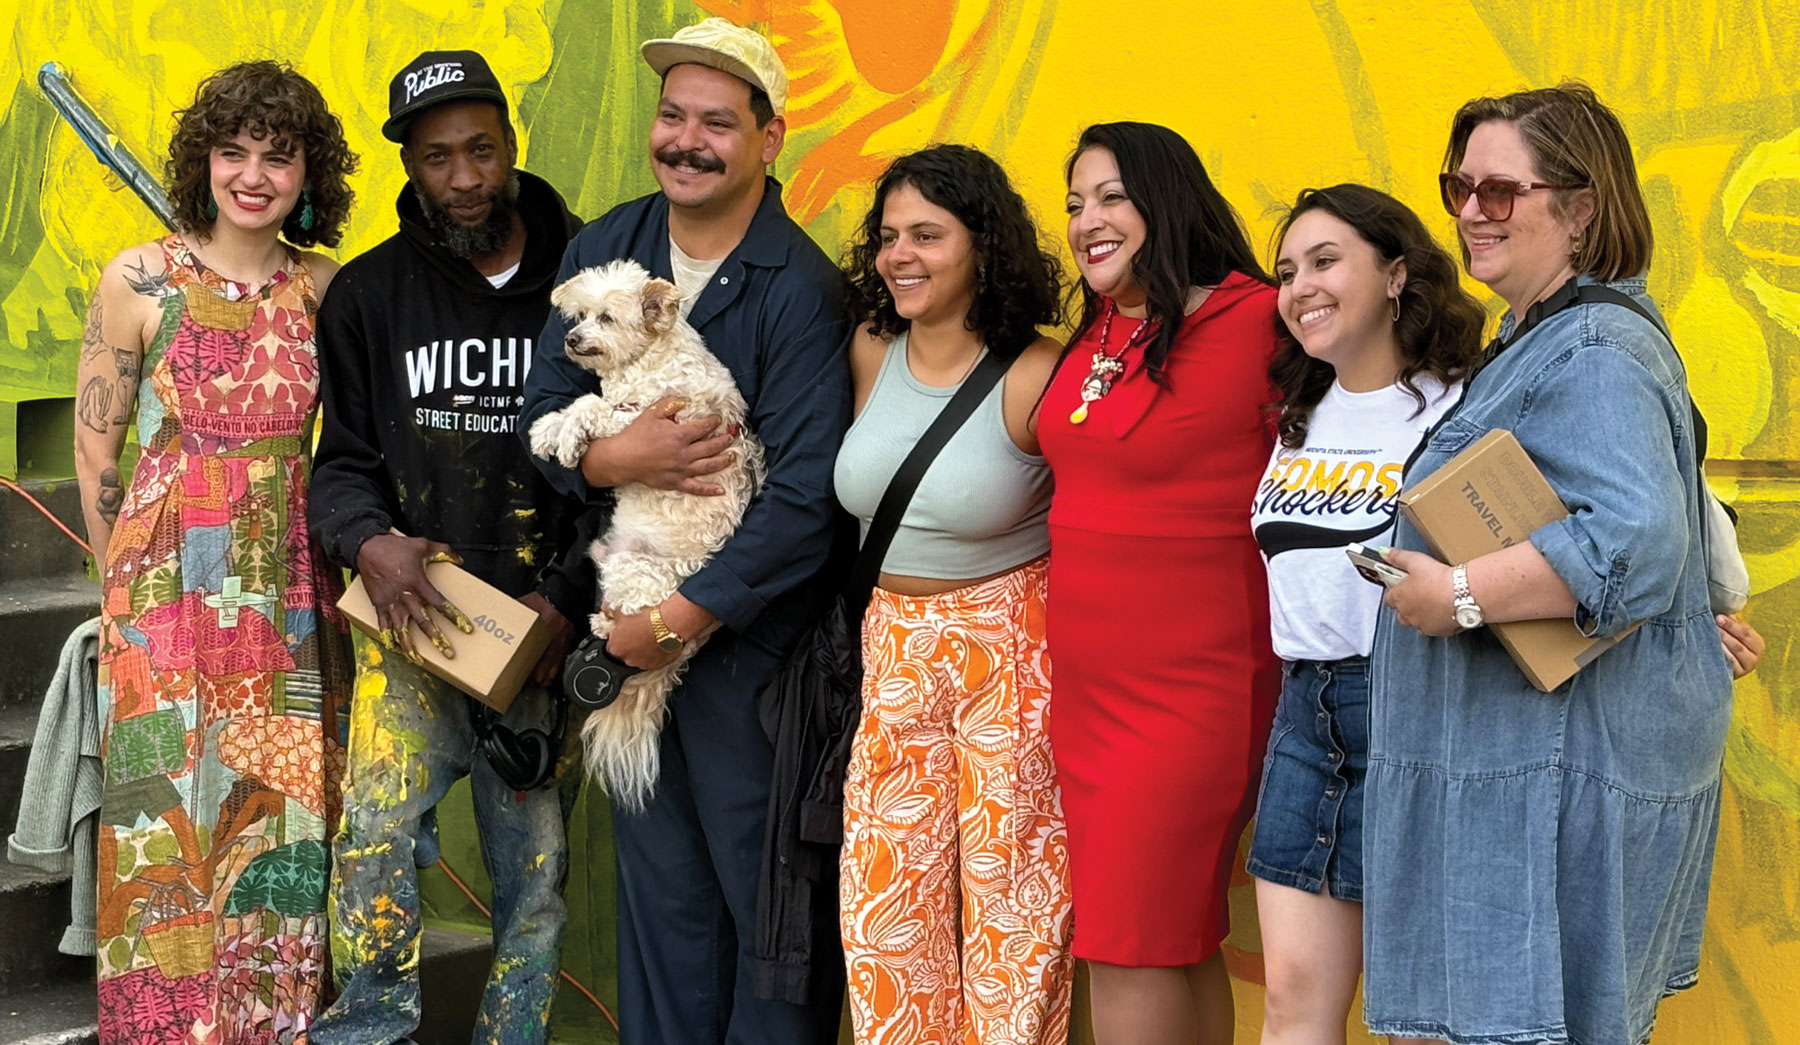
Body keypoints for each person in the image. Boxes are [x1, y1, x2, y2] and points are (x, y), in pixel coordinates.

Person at [1365, 82, 1736, 1045]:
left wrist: (1458, 593)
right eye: (1459, 188)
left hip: (1550, 779)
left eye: (1500, 193)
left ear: (1580, 211)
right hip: (1526, 766)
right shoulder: (1542, 336)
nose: (1469, 214)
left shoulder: (1596, 346)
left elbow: (1635, 541)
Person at [519, 18, 851, 1045]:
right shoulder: (603, 249)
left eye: (718, 121)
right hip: (624, 623)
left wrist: (672, 622)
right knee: (660, 910)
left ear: (769, 139)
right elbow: (537, 420)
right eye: (672, 115)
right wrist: (610, 460)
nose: (687, 139)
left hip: (750, 654)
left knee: (768, 920)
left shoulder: (800, 288)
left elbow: (805, 500)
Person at [305, 50, 589, 1045]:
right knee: (373, 840)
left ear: (511, 144)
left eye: (479, 150)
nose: (463, 177)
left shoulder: (584, 282)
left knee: (535, 881)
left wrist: (567, 597)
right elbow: (338, 463)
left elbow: (624, 471)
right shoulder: (368, 297)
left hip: (540, 638)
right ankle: (368, 1032)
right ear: (412, 166)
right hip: (414, 622)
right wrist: (368, 540)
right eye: (437, 158)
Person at [73, 60, 357, 1044]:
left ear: (308, 173)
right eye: (234, 150)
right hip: (163, 590)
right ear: (204, 160)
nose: (253, 174)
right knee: (164, 814)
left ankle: (269, 1026)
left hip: (285, 589)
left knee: (277, 812)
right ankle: (161, 1029)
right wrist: (123, 603)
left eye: (279, 157)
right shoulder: (137, 278)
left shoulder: (327, 289)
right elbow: (97, 449)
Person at [1036, 121, 1282, 1045]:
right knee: (1175, 939)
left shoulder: (1261, 317)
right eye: (1073, 204)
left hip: (1195, 688)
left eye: (1109, 197)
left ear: (1165, 197)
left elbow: (1402, 423)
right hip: (1089, 692)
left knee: (1129, 941)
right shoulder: (1102, 327)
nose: (1086, 221)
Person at [834, 144, 1073, 1045]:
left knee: (1015, 909)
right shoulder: (870, 347)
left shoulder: (1035, 371)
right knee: (885, 904)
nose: (902, 254)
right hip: (891, 647)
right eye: (891, 236)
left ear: (983, 246)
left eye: (928, 235)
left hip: (1008, 647)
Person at [1246, 184, 1486, 1045]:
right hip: (1305, 719)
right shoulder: (1298, 415)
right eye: (1286, 271)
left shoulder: (1466, 405)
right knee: (1292, 1006)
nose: (1299, 286)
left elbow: (1586, 526)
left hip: (1423, 714)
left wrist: (1690, 623)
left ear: (1394, 274)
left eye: (1324, 260)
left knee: (1421, 1019)